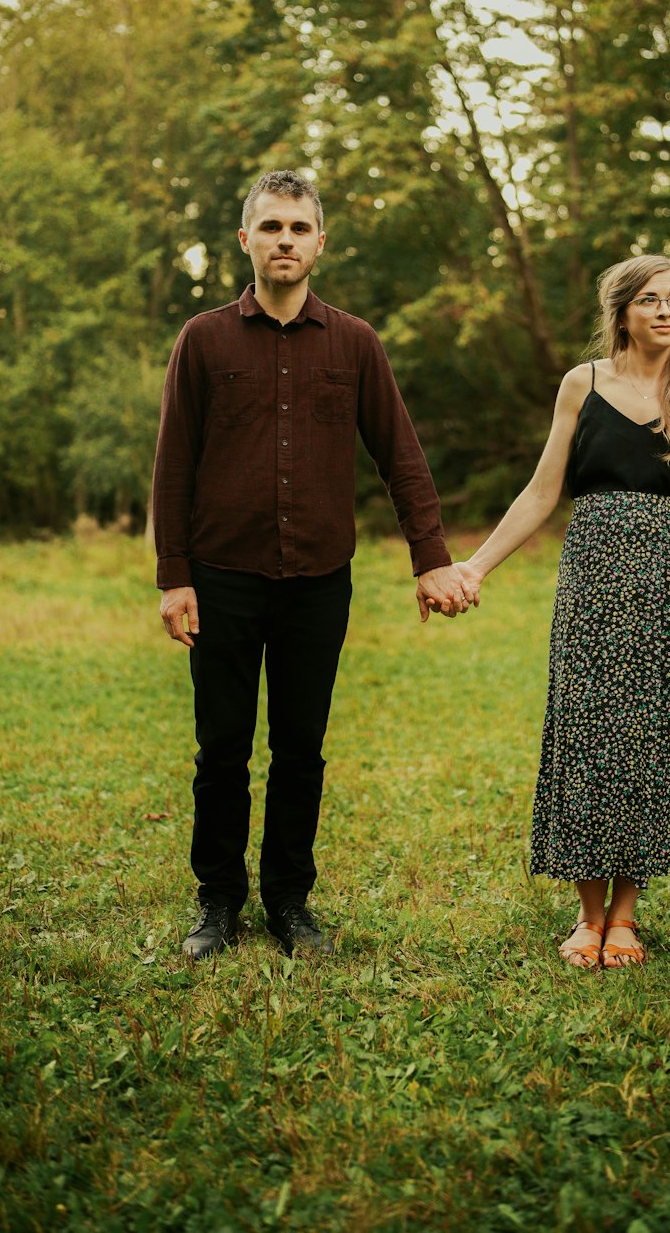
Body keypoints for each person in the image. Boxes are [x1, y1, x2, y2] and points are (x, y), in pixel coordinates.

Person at [153, 168, 471, 961]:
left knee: (301, 749)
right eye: (271, 228)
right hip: (223, 577)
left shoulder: (355, 343)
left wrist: (429, 557)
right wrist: (174, 575)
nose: (285, 241)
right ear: (245, 241)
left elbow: (400, 455)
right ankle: (218, 905)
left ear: (320, 243)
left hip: (320, 583)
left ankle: (290, 903)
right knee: (221, 749)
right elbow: (173, 464)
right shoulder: (203, 339)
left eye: (298, 229)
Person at [454, 255, 670, 968]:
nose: (667, 312)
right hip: (592, 578)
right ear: (622, 311)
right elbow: (543, 492)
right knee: (585, 734)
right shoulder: (584, 384)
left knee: (651, 738)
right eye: (651, 301)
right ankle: (586, 914)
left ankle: (626, 916)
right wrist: (476, 564)